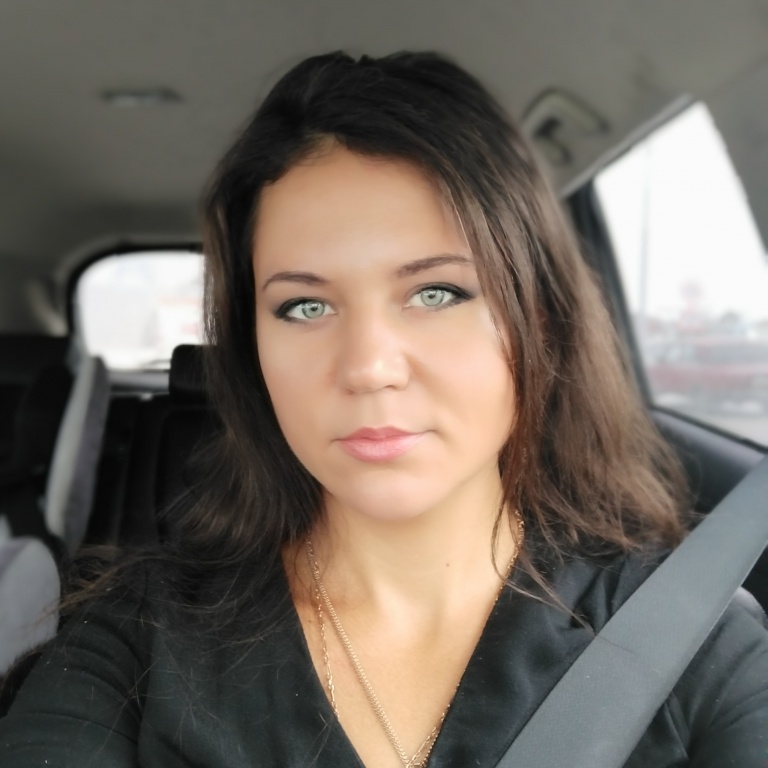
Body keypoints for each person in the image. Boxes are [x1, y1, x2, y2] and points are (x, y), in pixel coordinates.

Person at [1, 51, 767, 768]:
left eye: (437, 293)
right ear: (253, 350)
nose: (369, 367)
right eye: (304, 307)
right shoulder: (131, 641)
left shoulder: (693, 642)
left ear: (537, 320)